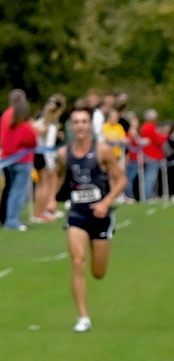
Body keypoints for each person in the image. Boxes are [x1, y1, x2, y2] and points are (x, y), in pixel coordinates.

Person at [59, 104, 125, 333]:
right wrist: (49, 199)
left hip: (101, 216)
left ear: (90, 125)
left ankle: (98, 256)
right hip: (77, 214)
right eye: (76, 122)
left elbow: (121, 179)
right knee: (77, 261)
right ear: (70, 126)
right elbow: (56, 179)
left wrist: (106, 202)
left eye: (84, 122)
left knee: (98, 272)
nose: (80, 126)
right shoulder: (63, 154)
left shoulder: (103, 150)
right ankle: (83, 317)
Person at [0, 91, 36, 230]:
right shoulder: (24, 125)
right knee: (18, 192)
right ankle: (12, 220)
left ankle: (7, 217)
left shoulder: (5, 115)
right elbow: (33, 141)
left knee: (9, 189)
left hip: (7, 157)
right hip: (22, 160)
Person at [32, 94, 67, 223]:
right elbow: (48, 146)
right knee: (44, 185)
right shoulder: (50, 126)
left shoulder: (39, 122)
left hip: (39, 154)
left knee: (43, 184)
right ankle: (39, 213)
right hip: (44, 156)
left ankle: (42, 211)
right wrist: (51, 163)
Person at [140, 109, 166, 201]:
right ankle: (148, 196)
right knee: (150, 176)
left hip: (149, 154)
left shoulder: (145, 127)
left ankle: (149, 194)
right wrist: (164, 135)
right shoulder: (150, 127)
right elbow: (158, 140)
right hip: (152, 155)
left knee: (150, 176)